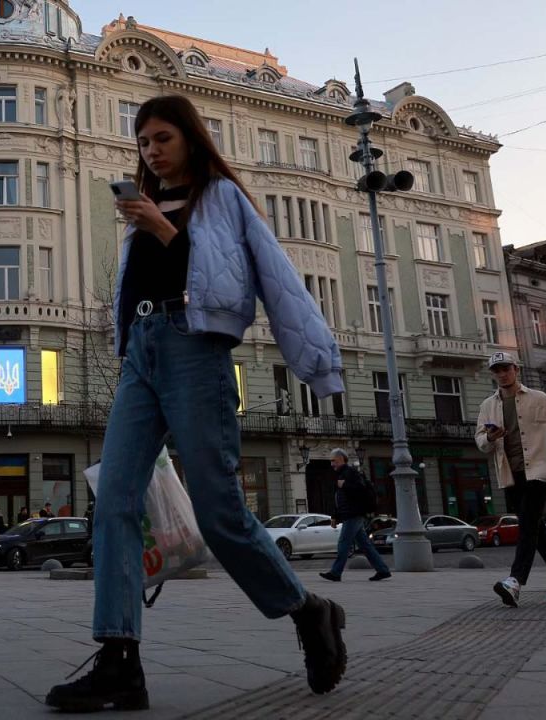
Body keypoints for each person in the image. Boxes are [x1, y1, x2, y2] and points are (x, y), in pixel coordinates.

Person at [47, 95, 347, 712]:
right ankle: (119, 660)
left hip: (195, 351)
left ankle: (308, 608)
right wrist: (126, 334)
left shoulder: (221, 199)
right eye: (143, 141)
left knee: (219, 513)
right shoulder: (142, 208)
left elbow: (264, 280)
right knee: (115, 504)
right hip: (142, 358)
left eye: (162, 138)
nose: (151, 150)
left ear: (189, 139)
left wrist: (319, 364)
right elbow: (134, 287)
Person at [476, 351, 546, 607]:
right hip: (510, 475)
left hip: (539, 470)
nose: (502, 374)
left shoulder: (540, 399)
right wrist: (491, 437)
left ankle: (515, 581)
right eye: (497, 370)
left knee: (526, 525)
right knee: (535, 530)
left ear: (517, 369)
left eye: (506, 369)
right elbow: (480, 442)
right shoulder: (487, 406)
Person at [320, 450, 391, 583]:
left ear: (341, 459)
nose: (331, 464)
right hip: (351, 514)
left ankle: (335, 573)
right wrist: (334, 516)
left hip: (354, 514)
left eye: (333, 461)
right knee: (365, 545)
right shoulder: (341, 474)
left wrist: (345, 485)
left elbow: (360, 490)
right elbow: (339, 498)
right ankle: (383, 570)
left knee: (343, 543)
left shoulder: (350, 473)